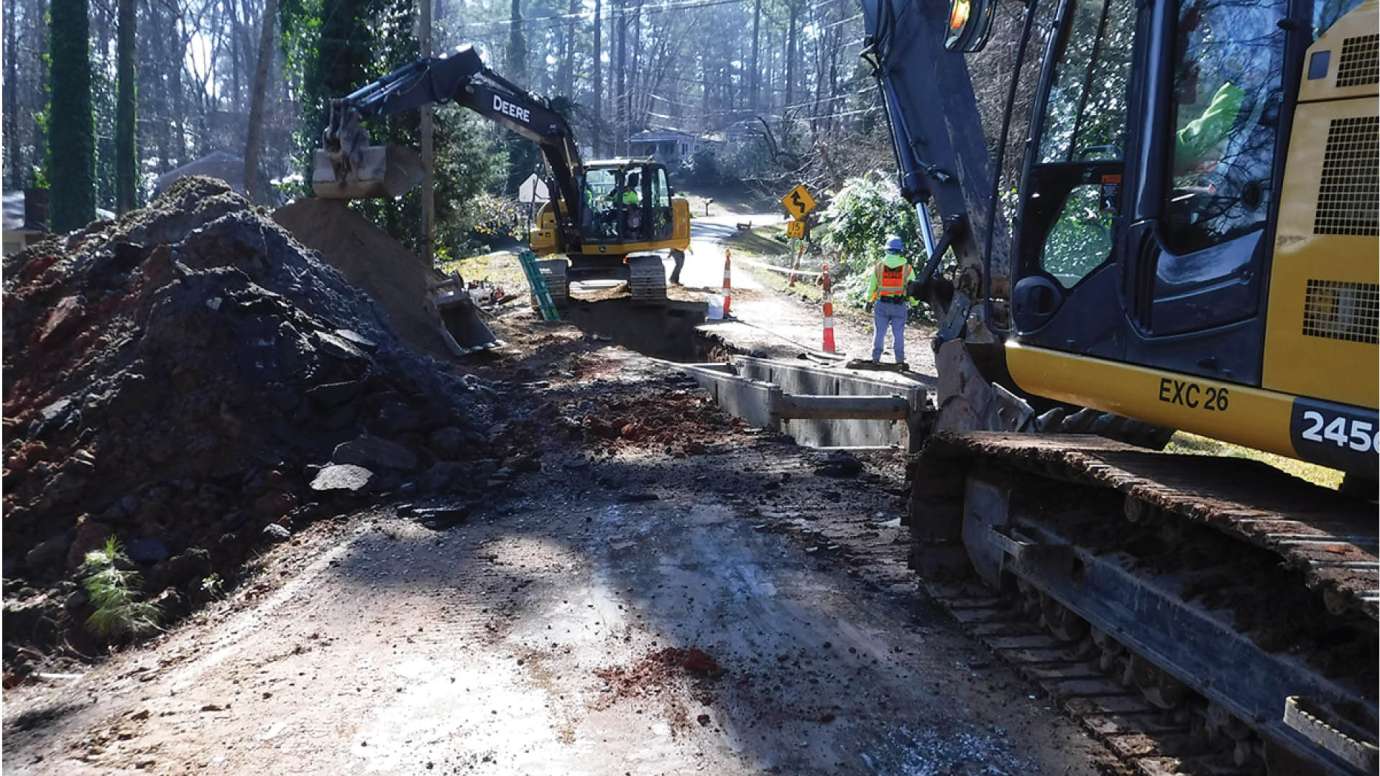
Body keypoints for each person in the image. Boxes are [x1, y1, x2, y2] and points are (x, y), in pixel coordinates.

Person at [868, 235, 915, 367]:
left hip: (881, 304)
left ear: (887, 250)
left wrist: (869, 301)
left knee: (879, 332)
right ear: (900, 251)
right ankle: (899, 360)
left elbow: (872, 286)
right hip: (899, 306)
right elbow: (912, 288)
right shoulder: (907, 268)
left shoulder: (879, 267)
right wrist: (914, 302)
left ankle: (875, 358)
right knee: (898, 333)